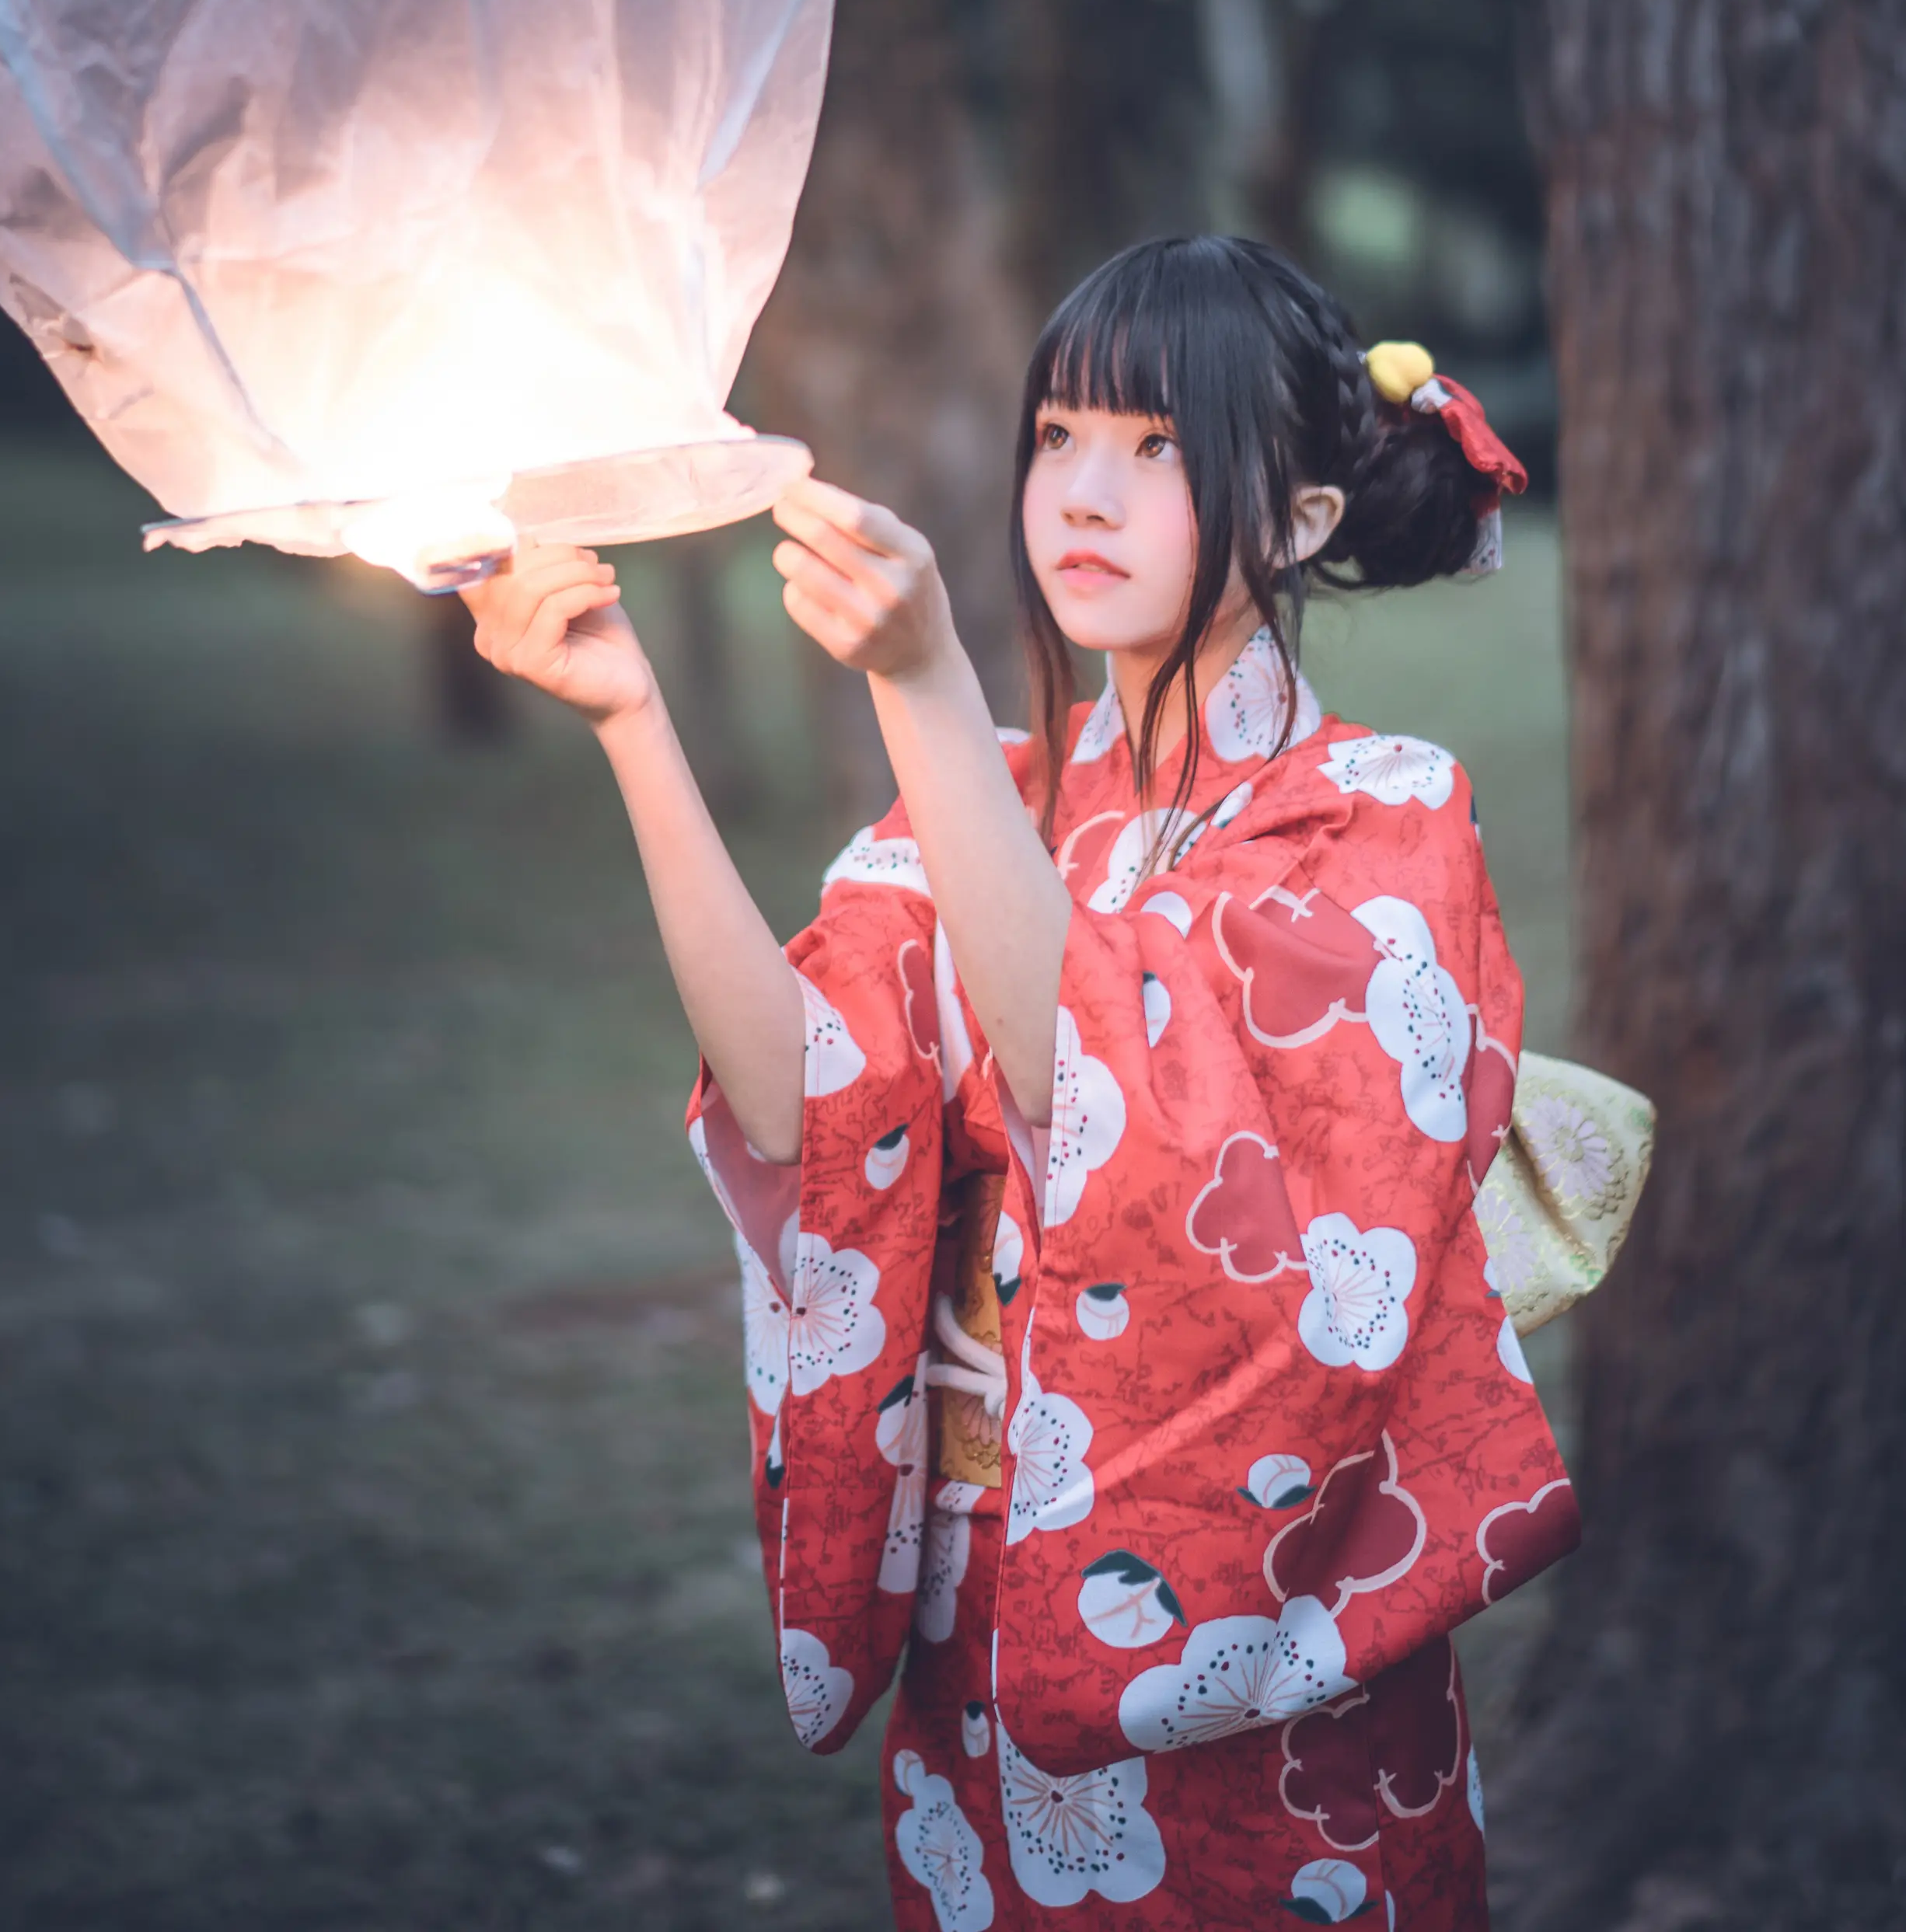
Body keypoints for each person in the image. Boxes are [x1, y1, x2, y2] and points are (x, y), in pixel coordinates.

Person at [468, 234, 1577, 1930]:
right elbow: (801, 1103)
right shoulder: (1002, 796)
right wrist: (632, 719)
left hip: (1260, 1625)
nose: (1083, 491)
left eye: (1157, 445)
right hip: (997, 1611)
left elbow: (1104, 1098)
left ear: (1301, 521)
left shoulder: (1380, 821)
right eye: (1058, 434)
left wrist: (919, 681)